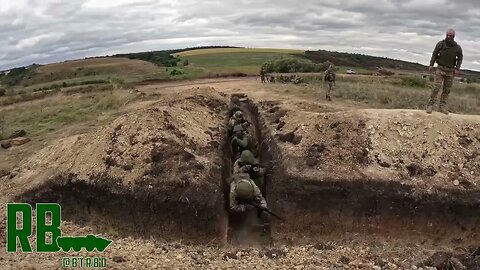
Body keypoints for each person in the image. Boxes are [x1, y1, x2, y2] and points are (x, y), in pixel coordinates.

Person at [427, 29, 463, 114]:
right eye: (447, 35)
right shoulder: (441, 44)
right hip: (440, 69)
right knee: (436, 88)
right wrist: (431, 65)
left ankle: (442, 107)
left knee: (446, 90)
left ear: (453, 36)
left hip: (450, 71)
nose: (448, 37)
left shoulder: (457, 47)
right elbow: (434, 54)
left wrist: (457, 68)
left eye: (450, 36)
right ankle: (430, 105)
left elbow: (460, 58)